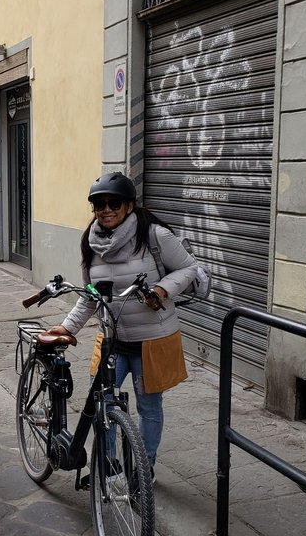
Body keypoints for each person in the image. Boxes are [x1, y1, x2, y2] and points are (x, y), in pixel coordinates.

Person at [49, 171, 197, 480]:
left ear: (128, 205)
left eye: (112, 202)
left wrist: (162, 289)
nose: (105, 209)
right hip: (112, 339)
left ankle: (144, 471)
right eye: (98, 204)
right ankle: (110, 467)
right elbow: (91, 295)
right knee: (100, 402)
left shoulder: (154, 235)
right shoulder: (90, 241)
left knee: (148, 407)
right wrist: (68, 327)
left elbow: (188, 268)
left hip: (151, 341)